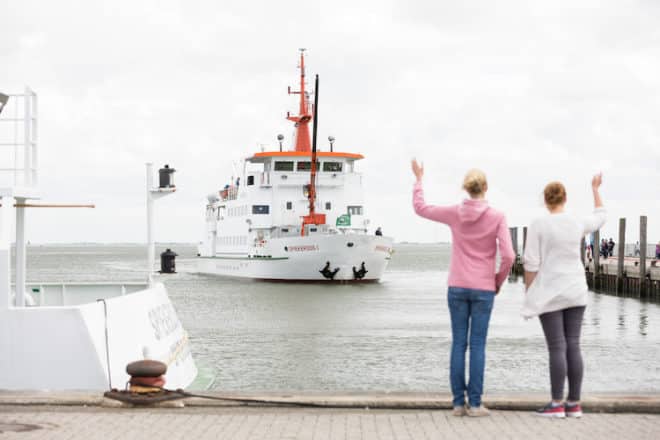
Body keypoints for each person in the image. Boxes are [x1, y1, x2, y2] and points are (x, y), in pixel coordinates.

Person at [411, 160, 514, 417]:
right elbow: (510, 256)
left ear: (465, 188)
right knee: (478, 344)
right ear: (486, 187)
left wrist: (419, 180)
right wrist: (497, 281)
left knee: (459, 344)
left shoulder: (455, 213)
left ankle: (458, 404)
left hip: (457, 286)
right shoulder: (498, 216)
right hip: (483, 288)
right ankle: (476, 405)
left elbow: (421, 208)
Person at [522, 174, 606, 418]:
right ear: (565, 198)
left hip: (550, 292)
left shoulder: (538, 223)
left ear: (545, 201)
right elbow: (601, 216)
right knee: (574, 345)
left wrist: (530, 292)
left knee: (557, 347)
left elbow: (530, 263)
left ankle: (557, 403)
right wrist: (594, 188)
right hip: (576, 290)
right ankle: (574, 404)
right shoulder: (576, 222)